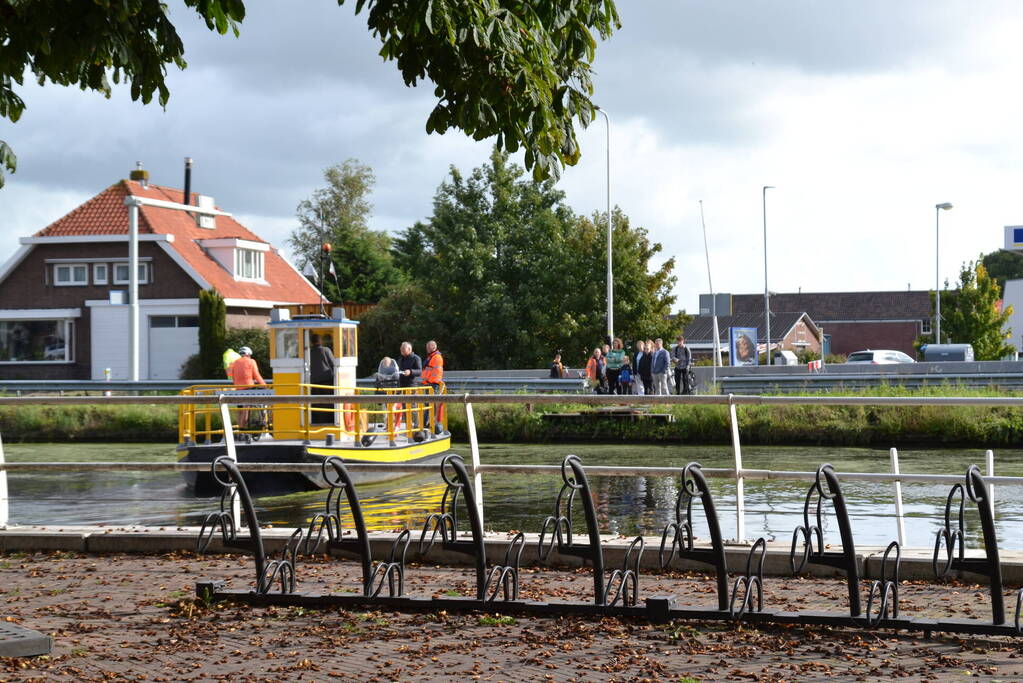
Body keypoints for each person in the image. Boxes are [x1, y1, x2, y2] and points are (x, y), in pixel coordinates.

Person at [230, 346, 267, 430]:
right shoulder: (251, 361)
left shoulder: (235, 362)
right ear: (248, 354)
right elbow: (256, 375)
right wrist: (264, 385)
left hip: (238, 388)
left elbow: (233, 376)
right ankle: (243, 428)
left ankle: (240, 429)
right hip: (248, 387)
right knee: (246, 408)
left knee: (240, 409)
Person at [309, 333, 337, 424]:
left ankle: (317, 420)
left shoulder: (308, 352)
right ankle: (329, 420)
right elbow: (334, 365)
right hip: (327, 382)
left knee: (316, 403)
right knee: (328, 402)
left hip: (313, 383)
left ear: (311, 342)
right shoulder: (326, 350)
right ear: (320, 341)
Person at [422, 340, 445, 431]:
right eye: (426, 347)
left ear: (433, 347)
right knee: (428, 403)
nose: (427, 348)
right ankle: (426, 422)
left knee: (430, 404)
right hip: (429, 383)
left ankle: (428, 423)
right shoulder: (431, 357)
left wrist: (429, 380)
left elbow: (435, 372)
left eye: (428, 347)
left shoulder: (436, 357)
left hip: (432, 383)